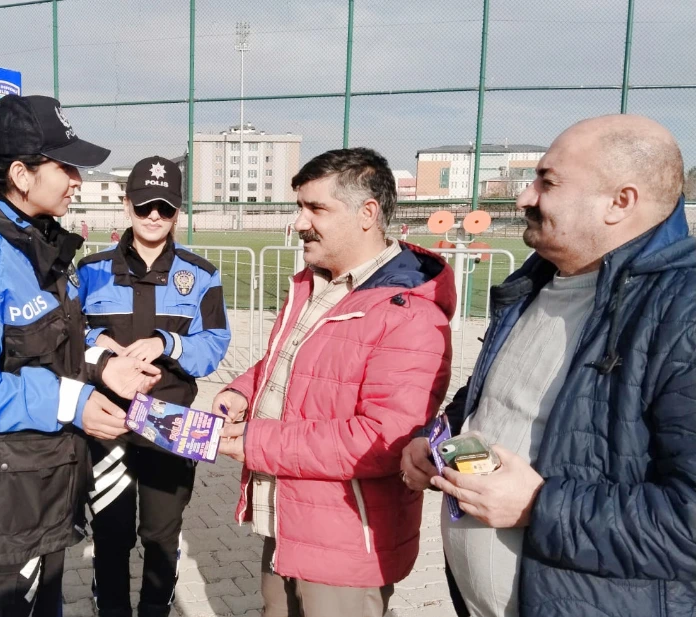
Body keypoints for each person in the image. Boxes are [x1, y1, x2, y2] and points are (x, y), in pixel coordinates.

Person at [400, 114, 696, 617]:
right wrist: (439, 435)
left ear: (619, 202)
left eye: (547, 181)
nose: (524, 198)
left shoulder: (681, 315)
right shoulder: (535, 282)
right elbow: (497, 392)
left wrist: (540, 508)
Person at [0, 95, 162, 617]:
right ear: (23, 175)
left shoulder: (38, 244)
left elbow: (46, 347)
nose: (77, 178)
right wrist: (73, 401)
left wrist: (101, 362)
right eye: (65, 165)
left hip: (42, 490)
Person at [214, 147, 455, 617]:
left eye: (316, 208)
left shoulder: (410, 314)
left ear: (368, 214)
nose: (300, 222)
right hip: (287, 519)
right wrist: (240, 390)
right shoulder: (312, 284)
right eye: (299, 207)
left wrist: (256, 441)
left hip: (345, 541)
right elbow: (287, 363)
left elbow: (384, 437)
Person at [76, 155, 231, 617]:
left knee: (162, 534)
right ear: (127, 207)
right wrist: (96, 342)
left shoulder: (201, 274)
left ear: (178, 211)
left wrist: (168, 343)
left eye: (165, 208)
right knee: (111, 530)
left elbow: (215, 344)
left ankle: (156, 610)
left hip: (171, 426)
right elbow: (63, 334)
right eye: (144, 207)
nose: (154, 217)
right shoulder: (91, 270)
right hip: (108, 424)